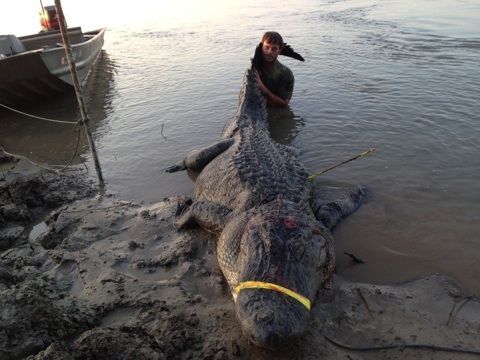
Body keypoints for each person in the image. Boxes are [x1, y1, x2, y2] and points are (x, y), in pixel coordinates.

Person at [254, 31, 302, 108]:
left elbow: (284, 104)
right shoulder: (254, 70)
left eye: (274, 49)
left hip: (276, 112)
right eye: (266, 47)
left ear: (280, 50)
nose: (269, 52)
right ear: (261, 47)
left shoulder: (286, 74)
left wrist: (261, 87)